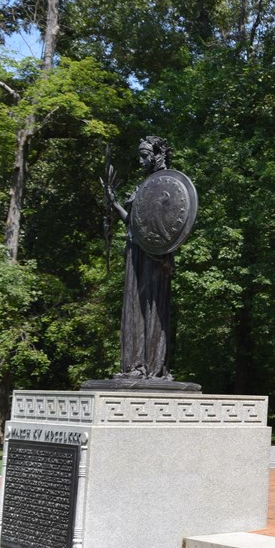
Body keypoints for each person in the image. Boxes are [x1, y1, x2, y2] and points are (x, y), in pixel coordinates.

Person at [105, 136, 175, 379]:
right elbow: (133, 223)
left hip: (155, 256)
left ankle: (151, 366)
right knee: (134, 306)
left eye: (144, 155)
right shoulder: (145, 185)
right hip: (135, 250)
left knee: (151, 307)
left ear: (157, 155)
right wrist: (115, 204)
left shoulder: (165, 184)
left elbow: (168, 224)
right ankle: (135, 365)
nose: (140, 160)